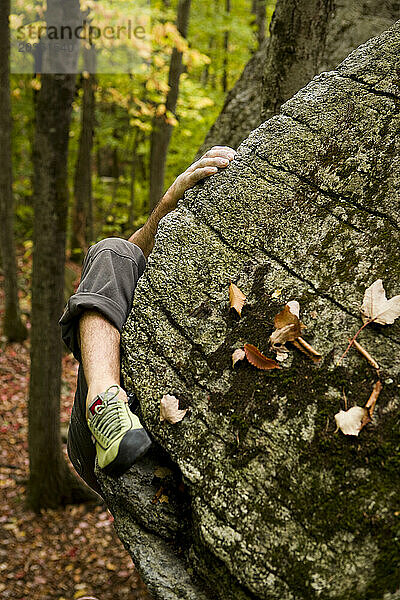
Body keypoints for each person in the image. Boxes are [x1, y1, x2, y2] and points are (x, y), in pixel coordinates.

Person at [60, 146, 237, 496]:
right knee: (111, 250)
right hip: (100, 439)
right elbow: (123, 259)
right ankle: (103, 404)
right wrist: (170, 202)